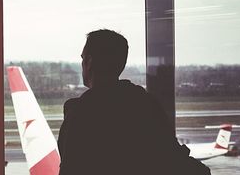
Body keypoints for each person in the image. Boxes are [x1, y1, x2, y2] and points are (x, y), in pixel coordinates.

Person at [57, 29, 210, 175]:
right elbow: (172, 157)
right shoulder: (145, 104)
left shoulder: (81, 114)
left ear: (89, 62)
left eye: (83, 58)